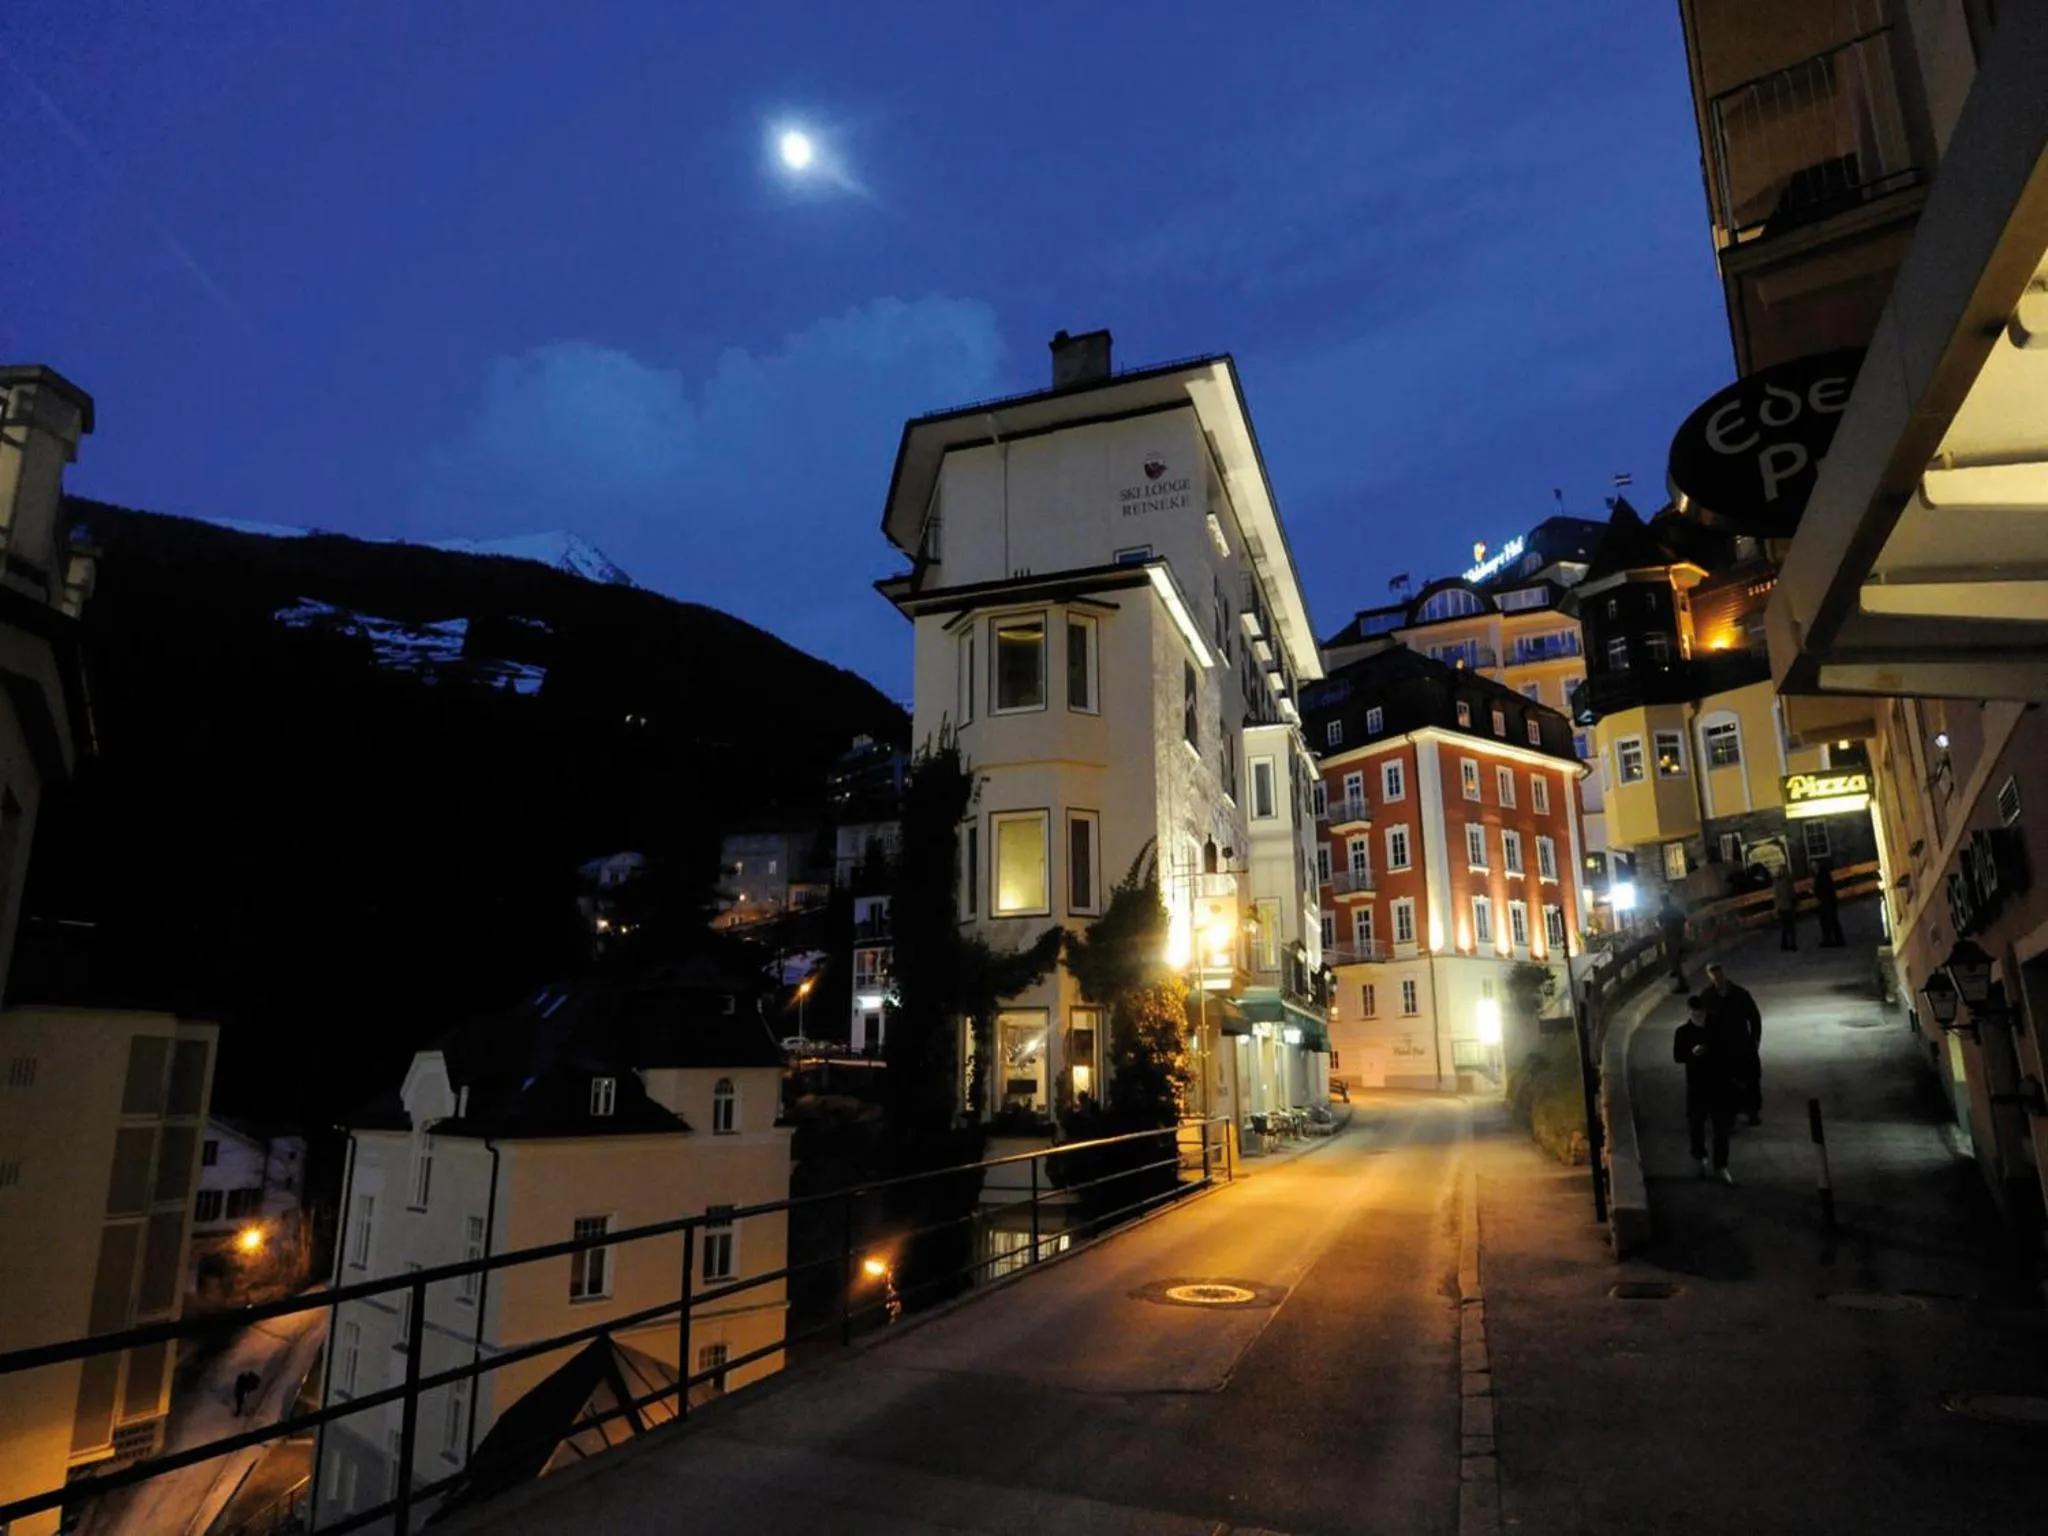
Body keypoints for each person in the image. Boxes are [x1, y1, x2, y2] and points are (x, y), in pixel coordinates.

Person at [1673, 994, 1739, 1182]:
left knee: (1721, 1127)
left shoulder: (1718, 1027)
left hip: (1719, 1084)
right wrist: (1692, 1054)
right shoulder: (1683, 1032)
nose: (1698, 1015)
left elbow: (1729, 1048)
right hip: (1696, 1085)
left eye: (1700, 1011)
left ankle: (1720, 1165)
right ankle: (1699, 1158)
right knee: (1696, 1124)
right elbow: (1678, 1056)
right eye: (1695, 1012)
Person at [1704, 962, 1763, 1124]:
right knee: (1722, 1082)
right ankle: (1727, 1113)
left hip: (1741, 1043)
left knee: (1750, 1079)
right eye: (1714, 974)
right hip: (1720, 1046)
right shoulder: (1707, 996)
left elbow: (1754, 1017)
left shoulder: (1740, 994)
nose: (1717, 977)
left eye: (1719, 973)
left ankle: (1752, 1111)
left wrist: (1755, 1040)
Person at [1657, 893, 1689, 991]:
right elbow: (1685, 921)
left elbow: (1659, 925)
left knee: (1675, 961)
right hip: (1679, 937)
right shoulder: (1676, 910)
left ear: (1662, 902)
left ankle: (1683, 985)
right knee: (1677, 959)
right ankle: (1675, 972)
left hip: (1671, 939)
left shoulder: (1663, 912)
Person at [1813, 859, 1845, 947]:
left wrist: (1816, 892)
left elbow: (1824, 888)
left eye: (1815, 865)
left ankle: (1836, 940)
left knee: (1831, 921)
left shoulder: (1822, 875)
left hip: (1827, 901)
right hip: (1825, 901)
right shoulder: (1819, 875)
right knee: (1826, 921)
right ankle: (1829, 940)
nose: (1813, 867)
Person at [1772, 865, 1799, 951]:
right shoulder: (1787, 881)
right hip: (1788, 906)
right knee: (1790, 927)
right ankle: (1792, 944)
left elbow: (1776, 896)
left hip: (1782, 906)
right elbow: (1791, 893)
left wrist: (1776, 907)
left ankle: (1785, 944)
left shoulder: (1777, 882)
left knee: (1785, 927)